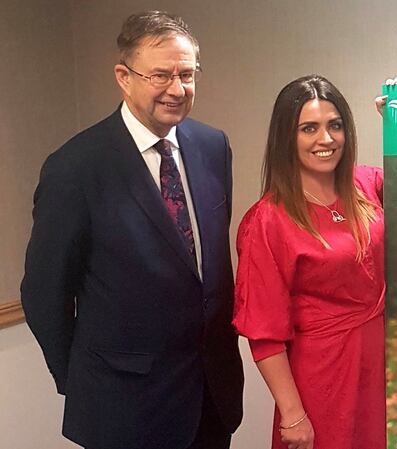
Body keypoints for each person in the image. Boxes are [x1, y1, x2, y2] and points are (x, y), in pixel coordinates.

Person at [20, 11, 244, 449]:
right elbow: (44, 292)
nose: (177, 89)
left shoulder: (212, 147)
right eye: (161, 75)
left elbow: (204, 268)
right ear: (124, 76)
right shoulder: (76, 168)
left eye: (186, 74)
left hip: (210, 399)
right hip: (122, 410)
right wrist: (85, 379)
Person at [233, 75, 385, 449]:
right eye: (309, 129)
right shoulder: (268, 220)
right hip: (322, 377)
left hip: (383, 365)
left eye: (335, 125)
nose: (326, 139)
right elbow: (265, 335)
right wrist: (293, 414)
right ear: (287, 137)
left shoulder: (366, 184)